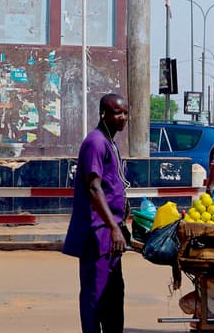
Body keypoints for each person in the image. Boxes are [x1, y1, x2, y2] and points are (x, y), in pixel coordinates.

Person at [62, 93, 129, 333]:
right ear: (103, 114)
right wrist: (113, 227)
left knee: (114, 294)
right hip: (98, 233)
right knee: (95, 295)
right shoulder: (96, 142)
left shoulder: (110, 141)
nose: (122, 118)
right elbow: (94, 186)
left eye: (125, 113)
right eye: (117, 113)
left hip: (111, 233)